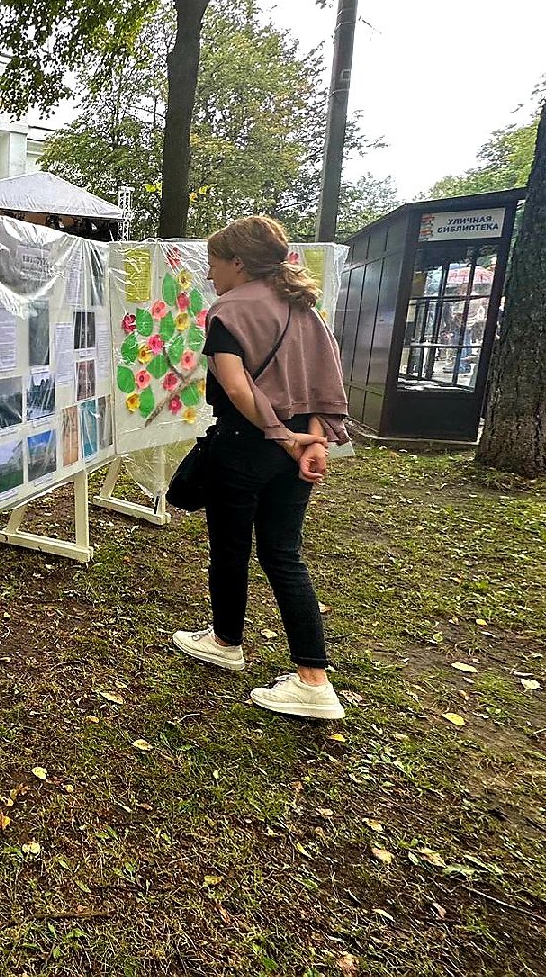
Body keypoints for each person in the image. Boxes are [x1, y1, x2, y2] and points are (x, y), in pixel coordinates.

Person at [169, 216, 351, 721]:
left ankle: (226, 642)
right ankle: (314, 678)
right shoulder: (303, 308)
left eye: (213, 263)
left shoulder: (229, 310)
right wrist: (311, 440)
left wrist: (281, 436)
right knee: (284, 555)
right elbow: (322, 383)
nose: (209, 274)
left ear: (237, 263)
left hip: (247, 442)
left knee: (230, 550)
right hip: (293, 447)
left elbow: (236, 387)